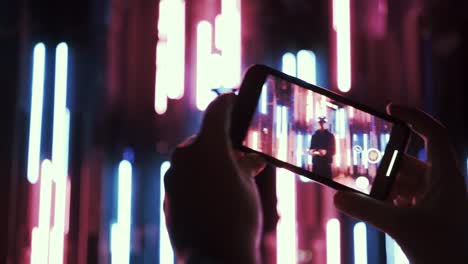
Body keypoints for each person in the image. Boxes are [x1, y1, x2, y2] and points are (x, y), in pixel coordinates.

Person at [164, 93, 468, 263]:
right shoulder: (320, 135)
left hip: (324, 165)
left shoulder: (328, 136)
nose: (322, 123)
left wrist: (215, 253)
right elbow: (315, 150)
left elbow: (328, 150)